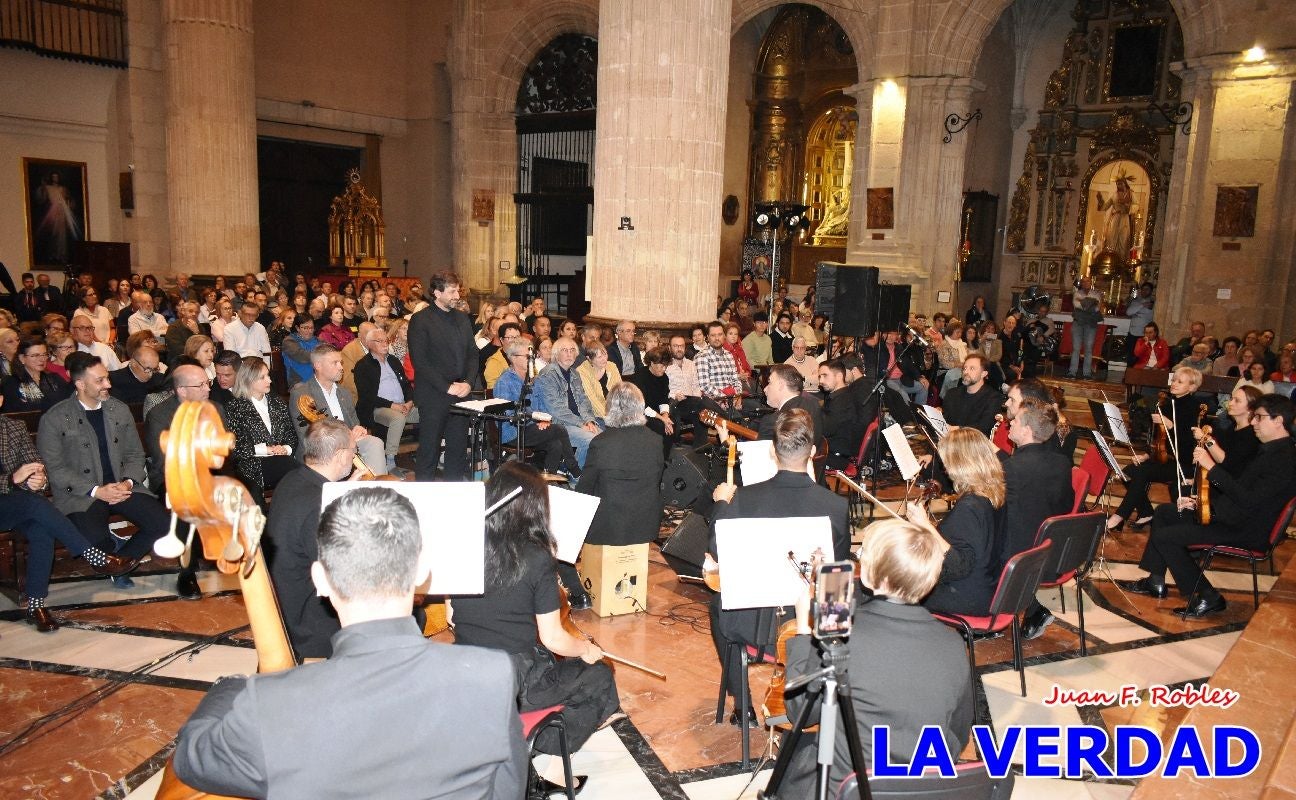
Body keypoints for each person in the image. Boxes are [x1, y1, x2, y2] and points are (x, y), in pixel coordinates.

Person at [174, 486, 527, 798]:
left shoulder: (268, 706)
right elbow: (508, 791)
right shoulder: (492, 675)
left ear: (321, 580)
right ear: (422, 570)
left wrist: (230, 686)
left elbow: (191, 758)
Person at [448, 462, 619, 793]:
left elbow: (454, 616)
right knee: (600, 676)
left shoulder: (463, 542)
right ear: (535, 506)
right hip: (518, 680)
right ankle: (546, 763)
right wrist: (586, 648)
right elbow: (553, 638)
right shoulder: (537, 556)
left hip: (465, 671)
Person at [778, 517, 973, 798]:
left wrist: (803, 629)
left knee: (795, 752)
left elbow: (800, 712)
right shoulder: (954, 643)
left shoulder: (842, 631)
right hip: (922, 789)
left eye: (862, 555)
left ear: (871, 576)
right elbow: (957, 734)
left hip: (847, 790)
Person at [708, 408, 850, 727]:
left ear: (773, 452)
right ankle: (823, 695)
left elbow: (717, 551)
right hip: (811, 625)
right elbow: (834, 576)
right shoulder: (836, 506)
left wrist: (721, 503)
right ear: (813, 454)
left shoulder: (744, 498)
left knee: (717, 606)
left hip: (755, 628)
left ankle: (742, 705)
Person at [1117, 394, 1296, 618]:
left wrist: (1212, 469)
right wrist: (1200, 502)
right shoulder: (1272, 450)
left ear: (1278, 421)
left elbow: (1249, 501)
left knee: (1166, 537)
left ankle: (1208, 596)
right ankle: (1156, 581)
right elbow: (1242, 491)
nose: (1253, 423)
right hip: (1235, 517)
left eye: (1259, 418)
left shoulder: (1284, 459)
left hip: (1245, 529)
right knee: (1164, 512)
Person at [0, 390, 137, 631]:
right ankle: (95, 556)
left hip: (17, 504)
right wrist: (12, 479)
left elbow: (35, 464)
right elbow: (15, 478)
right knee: (34, 506)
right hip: (12, 502)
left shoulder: (14, 427)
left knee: (41, 528)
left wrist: (37, 479)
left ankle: (36, 605)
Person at [37, 353, 174, 592]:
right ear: (80, 384)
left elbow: (134, 454)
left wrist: (129, 482)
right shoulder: (56, 417)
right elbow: (55, 468)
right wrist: (96, 490)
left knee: (162, 524)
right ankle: (112, 552)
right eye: (100, 381)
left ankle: (120, 564)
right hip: (83, 493)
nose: (108, 385)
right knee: (93, 541)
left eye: (107, 378)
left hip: (122, 486)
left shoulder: (117, 410)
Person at [265, 418, 358, 659]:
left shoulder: (293, 479)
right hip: (310, 622)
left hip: (286, 601)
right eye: (353, 450)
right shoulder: (320, 507)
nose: (355, 455)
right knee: (409, 611)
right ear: (339, 456)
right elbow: (343, 575)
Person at [1000, 396, 1076, 639]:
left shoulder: (1013, 468)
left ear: (1028, 430)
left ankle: (991, 617)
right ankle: (1032, 609)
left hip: (1023, 555)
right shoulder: (1062, 463)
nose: (1010, 422)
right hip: (1053, 548)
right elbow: (1065, 505)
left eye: (1016, 421)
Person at [1108, 366, 1203, 531]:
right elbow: (1159, 441)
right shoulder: (1166, 404)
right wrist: (1146, 455)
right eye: (1174, 380)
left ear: (1192, 387)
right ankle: (1146, 512)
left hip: (1183, 463)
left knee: (1142, 473)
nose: (1174, 384)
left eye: (1180, 382)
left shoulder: (1193, 407)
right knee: (1129, 472)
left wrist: (1170, 426)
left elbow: (1188, 443)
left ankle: (1119, 515)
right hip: (1164, 458)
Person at [924, 428, 1004, 616]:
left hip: (965, 597)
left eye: (947, 462)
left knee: (896, 586)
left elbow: (958, 566)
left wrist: (925, 525)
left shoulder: (969, 507)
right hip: (989, 588)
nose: (945, 468)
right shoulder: (993, 494)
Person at [408, 271, 478, 480]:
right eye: (452, 291)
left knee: (457, 450)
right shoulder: (421, 320)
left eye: (458, 290)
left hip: (461, 392)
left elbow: (473, 354)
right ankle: (423, 498)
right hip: (434, 394)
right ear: (437, 293)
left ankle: (453, 495)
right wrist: (447, 387)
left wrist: (467, 382)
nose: (457, 296)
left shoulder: (462, 318)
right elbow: (420, 362)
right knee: (429, 450)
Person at [576, 382, 664, 548]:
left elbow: (584, 489)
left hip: (608, 529)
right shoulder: (656, 440)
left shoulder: (601, 443)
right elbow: (656, 480)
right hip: (645, 526)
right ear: (640, 406)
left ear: (610, 407)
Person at [289, 344, 388, 477]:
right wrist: (346, 438)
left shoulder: (344, 393)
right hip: (322, 450)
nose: (341, 367)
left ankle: (379, 492)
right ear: (318, 365)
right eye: (335, 363)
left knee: (375, 442)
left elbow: (355, 424)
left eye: (340, 362)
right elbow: (307, 437)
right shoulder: (302, 395)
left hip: (349, 444)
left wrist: (359, 429)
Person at [493, 340, 581, 476]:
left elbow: (543, 406)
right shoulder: (504, 381)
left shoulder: (535, 379)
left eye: (532, 356)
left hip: (532, 428)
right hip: (513, 431)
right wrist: (535, 418)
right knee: (559, 429)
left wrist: (544, 420)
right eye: (527, 357)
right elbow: (508, 414)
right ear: (513, 358)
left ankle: (547, 480)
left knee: (556, 444)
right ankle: (574, 468)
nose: (531, 359)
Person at [226, 357, 299, 509]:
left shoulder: (277, 402)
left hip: (281, 460)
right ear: (249, 381)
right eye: (263, 377)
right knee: (295, 471)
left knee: (293, 470)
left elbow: (291, 434)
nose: (270, 380)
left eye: (268, 375)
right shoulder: (235, 407)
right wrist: (267, 449)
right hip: (251, 463)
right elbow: (234, 446)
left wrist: (286, 448)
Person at [353, 326, 419, 477]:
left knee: (429, 412)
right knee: (398, 418)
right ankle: (390, 461)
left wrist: (409, 402)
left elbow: (407, 385)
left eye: (386, 341)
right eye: (380, 341)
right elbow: (367, 396)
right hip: (378, 408)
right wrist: (392, 405)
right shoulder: (363, 365)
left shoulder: (394, 361)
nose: (385, 344)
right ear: (369, 344)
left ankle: (427, 452)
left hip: (403, 406)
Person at [534, 337, 602, 467]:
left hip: (579, 421)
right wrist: (581, 423)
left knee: (605, 438)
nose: (569, 354)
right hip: (558, 424)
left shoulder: (574, 374)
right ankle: (575, 474)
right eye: (564, 350)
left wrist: (589, 420)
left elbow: (584, 401)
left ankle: (589, 474)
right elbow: (555, 408)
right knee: (591, 439)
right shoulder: (548, 374)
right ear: (556, 353)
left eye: (572, 350)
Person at [940, 353, 1005, 437]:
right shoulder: (952, 393)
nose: (966, 372)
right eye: (964, 368)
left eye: (972, 368)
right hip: (948, 440)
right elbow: (946, 419)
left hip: (973, 445)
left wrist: (955, 429)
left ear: (983, 374)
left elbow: (984, 428)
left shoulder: (993, 398)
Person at [2, 336, 71, 412]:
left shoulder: (54, 378)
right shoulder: (12, 382)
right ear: (22, 358)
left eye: (44, 354)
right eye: (35, 355)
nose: (42, 359)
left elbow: (68, 402)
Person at [1068, 276, 1104, 378]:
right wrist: (1090, 302)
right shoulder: (1077, 293)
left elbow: (1096, 309)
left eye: (1087, 281)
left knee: (1088, 348)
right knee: (1076, 348)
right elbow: (1077, 305)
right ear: (1081, 283)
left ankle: (1087, 373)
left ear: (1090, 282)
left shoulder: (1096, 294)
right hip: (1078, 323)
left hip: (1091, 323)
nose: (1085, 283)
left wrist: (1083, 301)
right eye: (1083, 282)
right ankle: (1072, 372)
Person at [576, 342, 622, 419]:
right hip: (595, 415)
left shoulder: (612, 366)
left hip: (615, 411)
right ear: (589, 358)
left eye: (605, 354)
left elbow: (620, 391)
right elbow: (592, 400)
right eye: (599, 357)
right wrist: (609, 417)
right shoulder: (582, 371)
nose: (604, 359)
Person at [223, 301, 272, 366]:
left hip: (258, 365)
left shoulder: (261, 328)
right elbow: (230, 354)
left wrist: (266, 370)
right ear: (240, 313)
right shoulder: (229, 329)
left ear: (257, 315)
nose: (251, 318)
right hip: (240, 365)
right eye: (247, 314)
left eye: (254, 315)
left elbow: (267, 352)